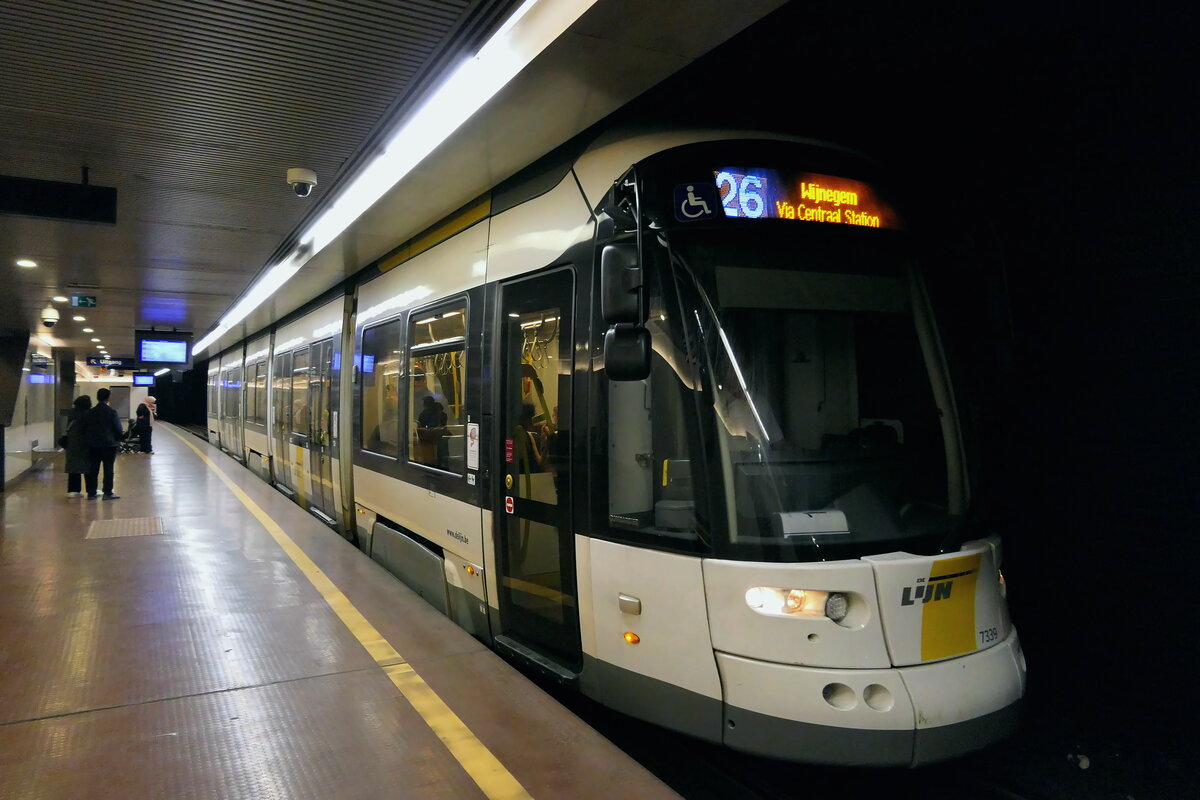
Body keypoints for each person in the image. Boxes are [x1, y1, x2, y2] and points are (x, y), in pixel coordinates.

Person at [81, 387, 124, 500]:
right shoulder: (112, 412)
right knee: (108, 469)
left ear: (97, 397)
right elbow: (118, 429)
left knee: (92, 469)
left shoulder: (90, 412)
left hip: (93, 446)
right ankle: (107, 493)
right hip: (109, 446)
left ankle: (91, 493)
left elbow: (84, 429)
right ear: (109, 398)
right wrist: (118, 440)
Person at [62, 395, 92, 496]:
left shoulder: (72, 413)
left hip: (72, 444)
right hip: (85, 444)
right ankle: (90, 489)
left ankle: (73, 490)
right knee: (89, 468)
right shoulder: (88, 415)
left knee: (74, 468)